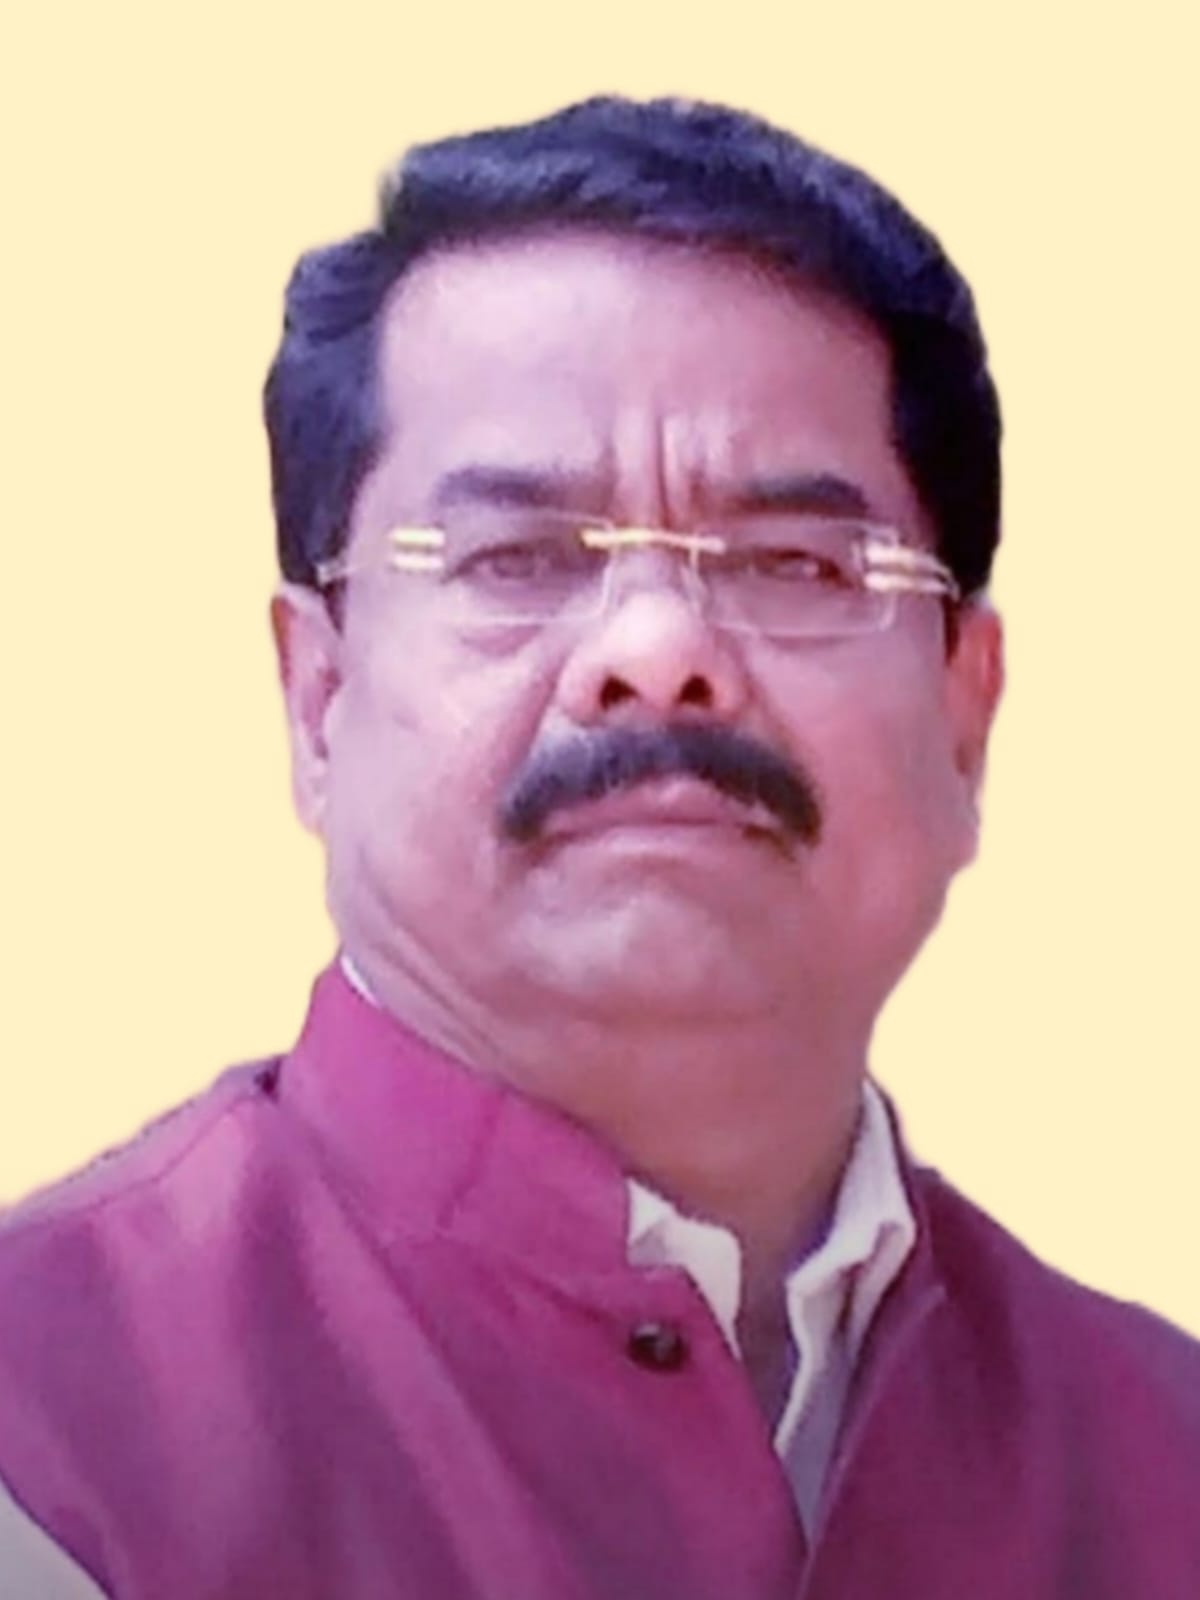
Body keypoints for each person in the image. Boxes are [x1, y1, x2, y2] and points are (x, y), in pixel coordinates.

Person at [0, 94, 1196, 1600]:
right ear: (319, 700)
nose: (656, 652)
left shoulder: (1168, 1455)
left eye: (794, 562)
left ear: (966, 716)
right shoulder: (49, 1436)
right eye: (516, 557)